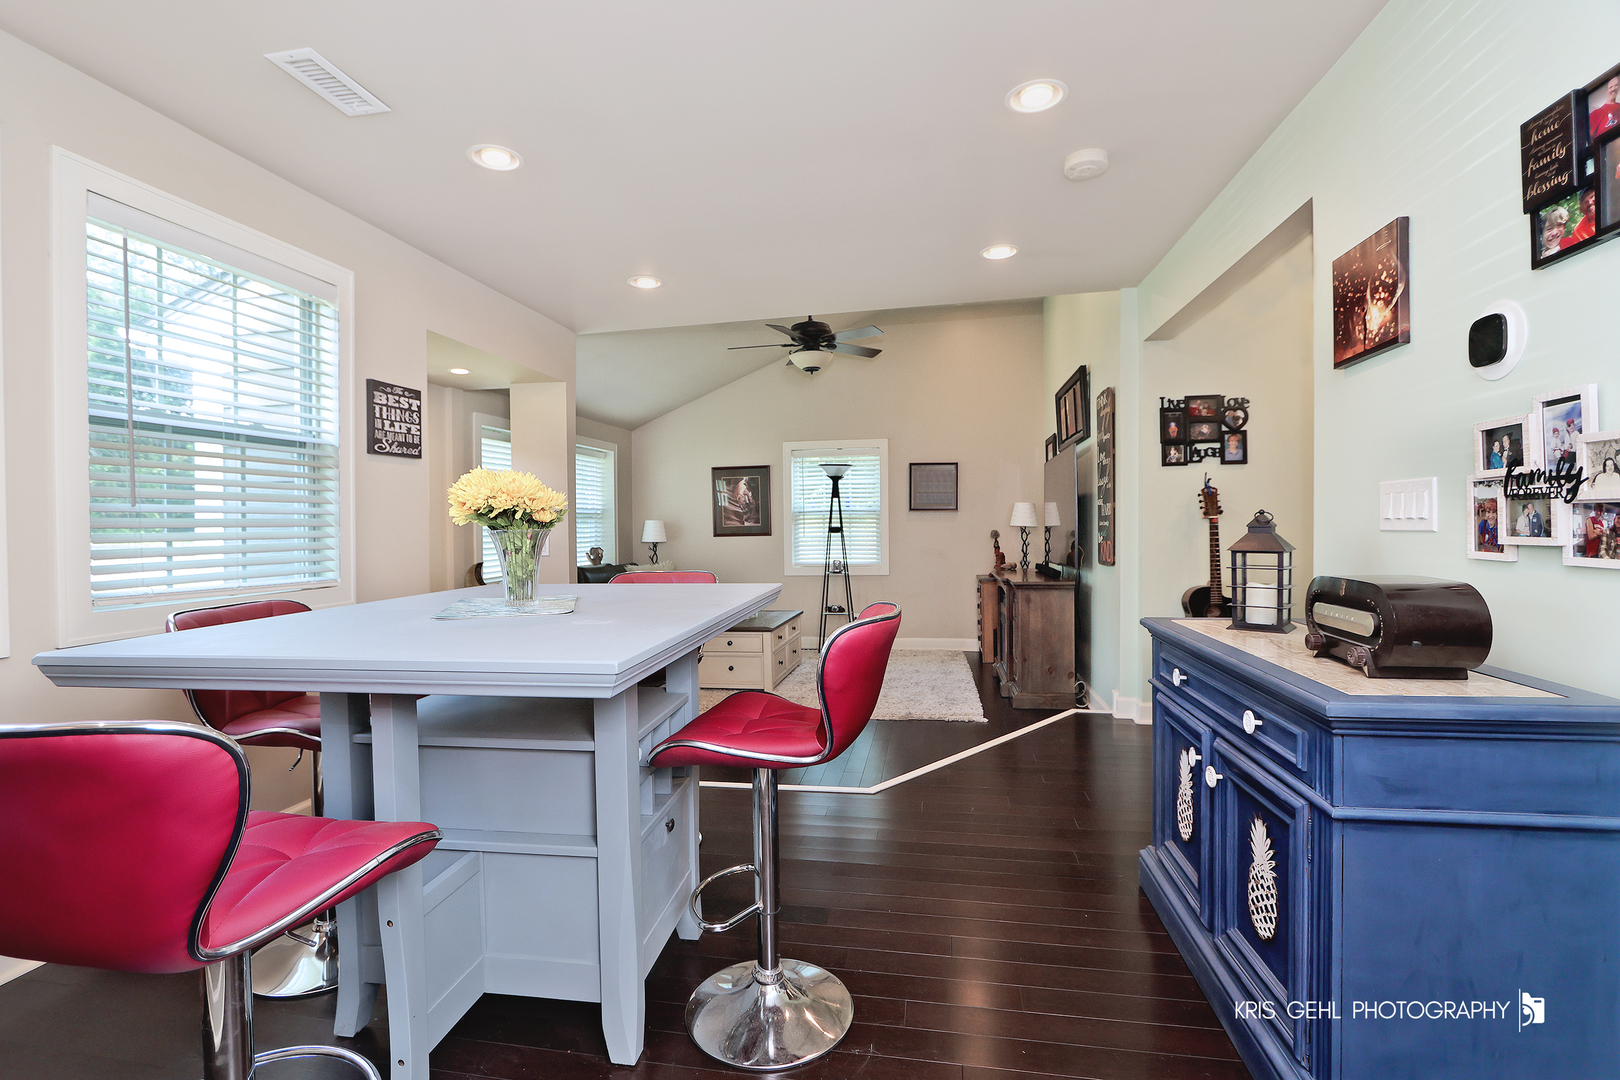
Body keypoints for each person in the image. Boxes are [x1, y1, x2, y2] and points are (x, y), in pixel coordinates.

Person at [1592, 75, 1620, 139]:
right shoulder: (1595, 113)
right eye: (1611, 87)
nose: (1614, 88)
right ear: (1607, 91)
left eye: (1616, 85)